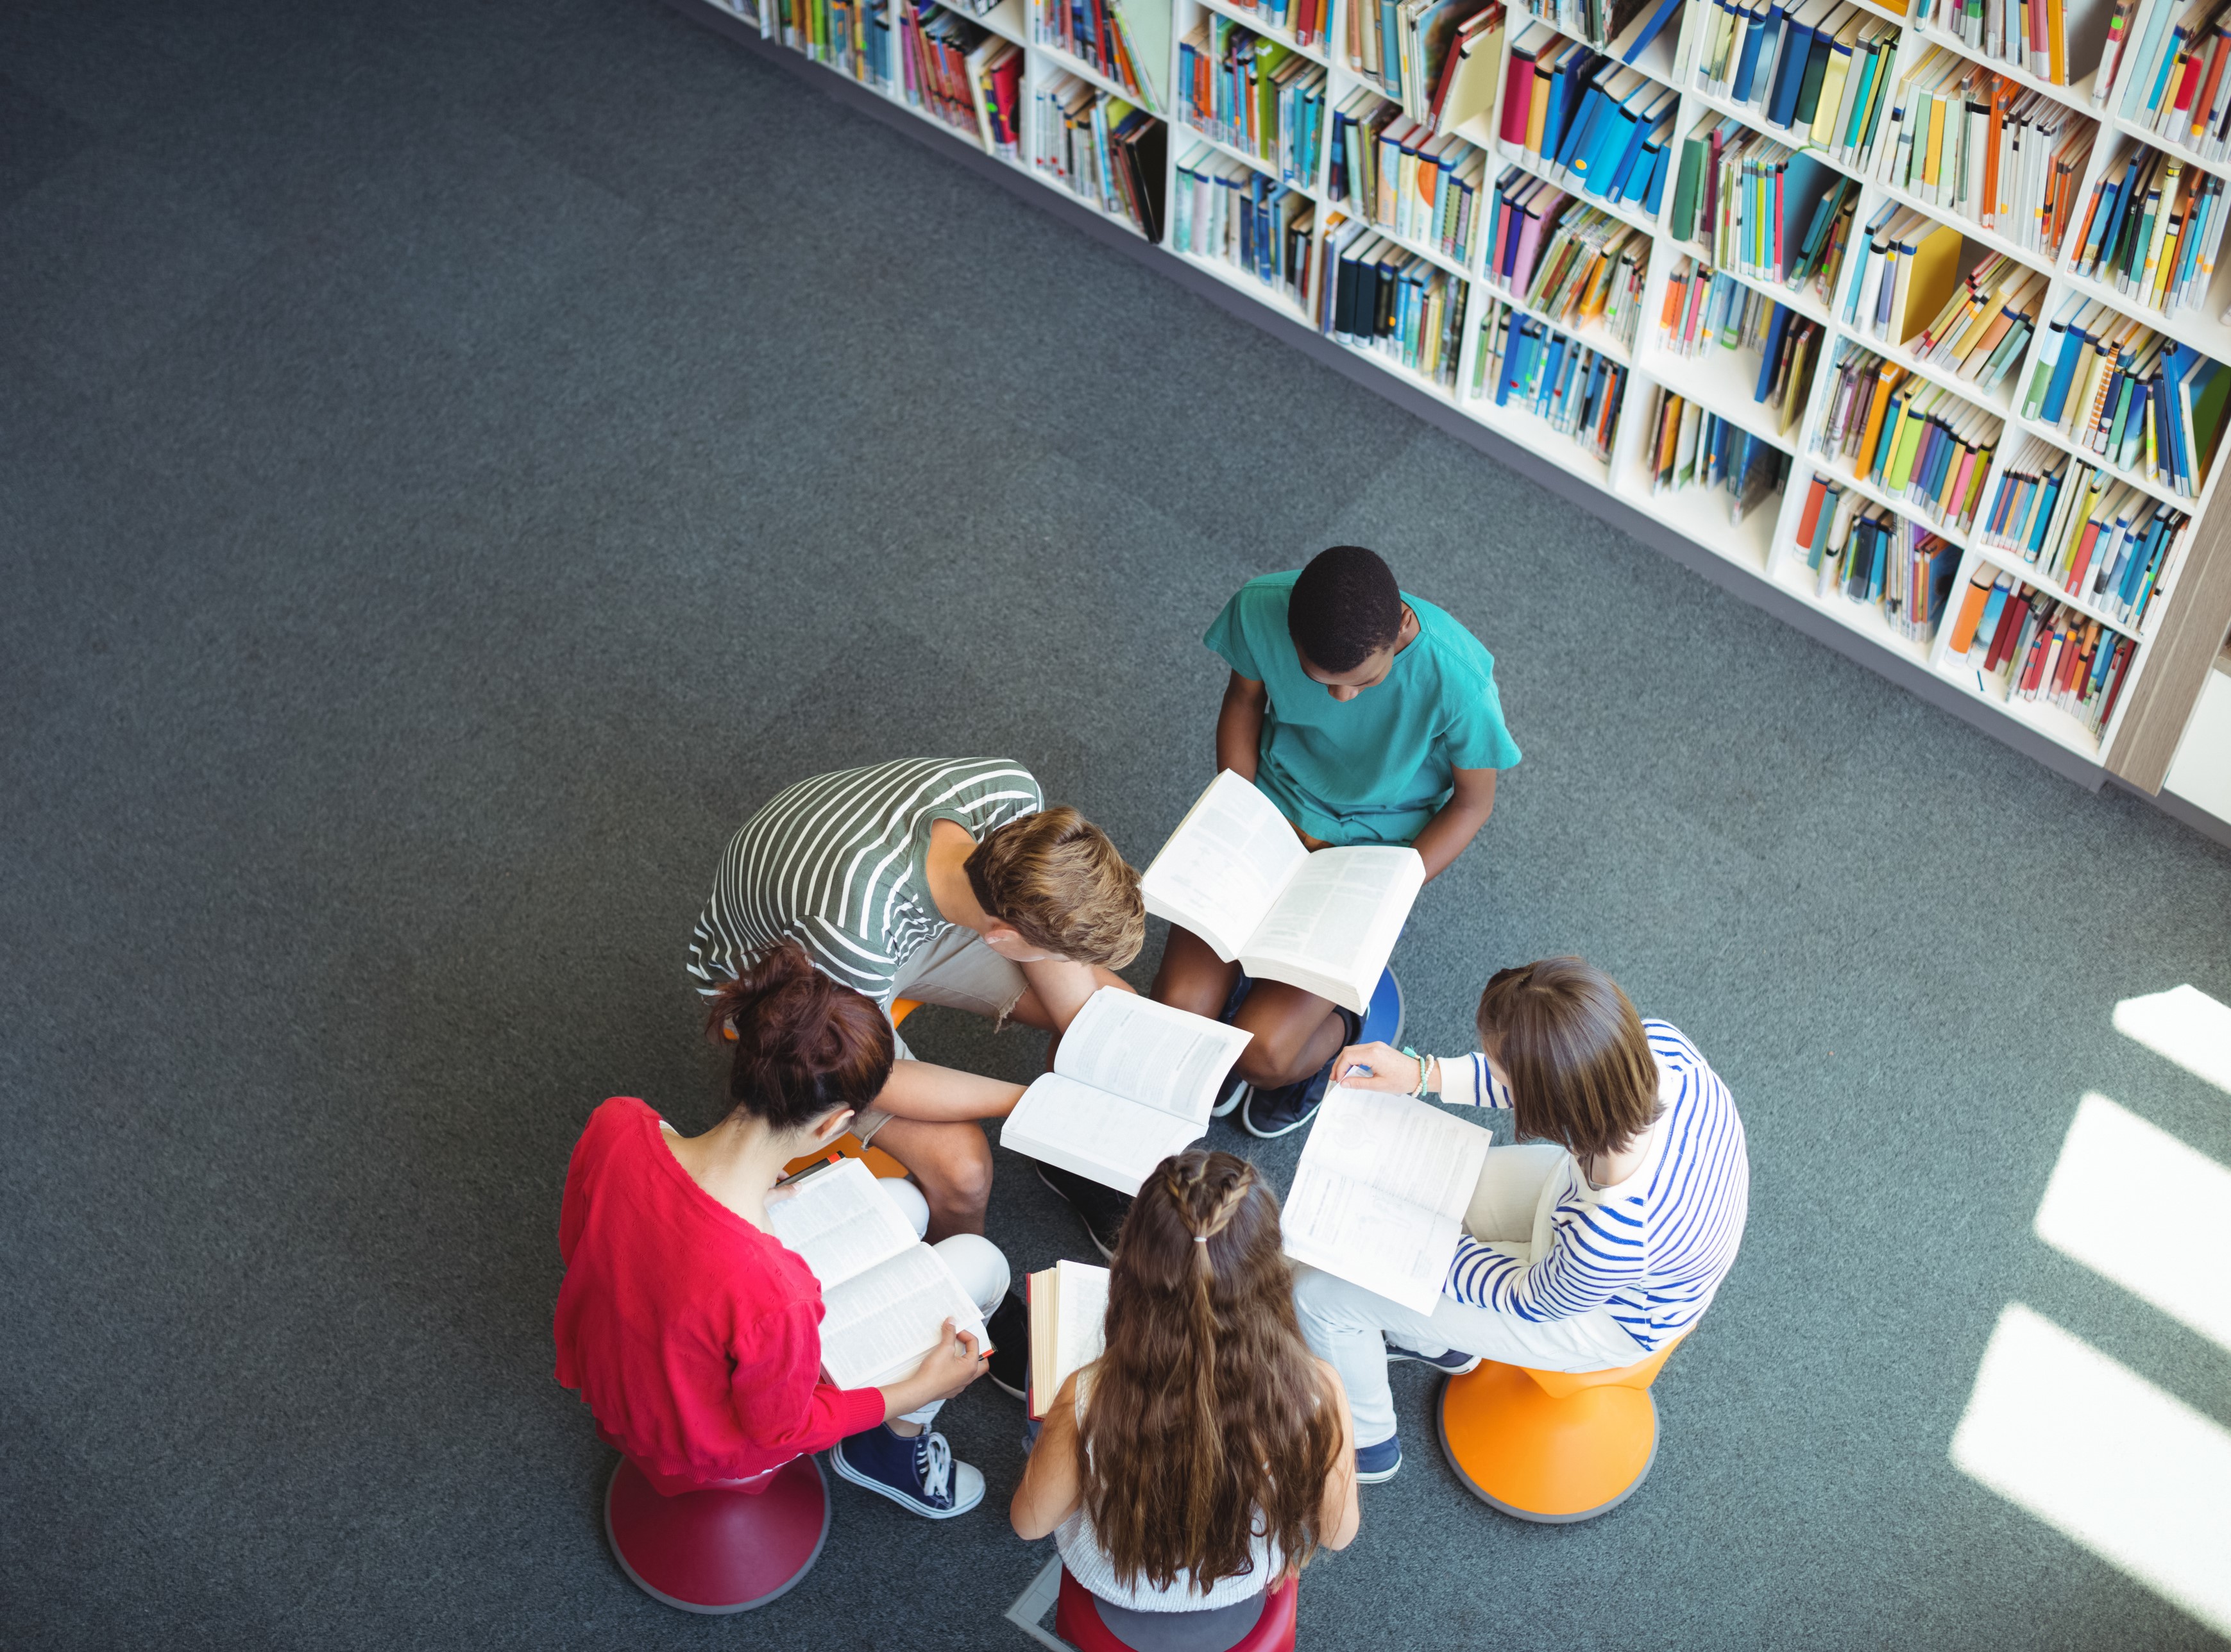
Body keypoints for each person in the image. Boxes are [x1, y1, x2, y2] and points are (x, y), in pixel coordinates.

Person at [555, 944, 1011, 1519]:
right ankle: (890, 1453)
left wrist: (734, 1205)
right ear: (835, 1124)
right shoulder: (776, 1295)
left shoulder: (617, 1122)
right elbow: (781, 1433)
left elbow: (582, 1247)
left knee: (902, 1205)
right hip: (706, 1448)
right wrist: (919, 1390)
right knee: (981, 1262)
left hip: (608, 1373)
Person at [1294, 957, 1750, 1482]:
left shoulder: (1613, 1235)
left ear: (1552, 1105)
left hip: (1600, 1314)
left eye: (1501, 1070)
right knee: (1420, 1194)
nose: (1496, 1075)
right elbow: (1542, 1079)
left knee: (1317, 1297)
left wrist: (1416, 1245)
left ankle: (1367, 1443)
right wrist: (1422, 1075)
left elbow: (1530, 1298)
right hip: (1583, 1205)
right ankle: (1443, 1343)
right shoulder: (1659, 1048)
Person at [687, 757, 1146, 1247]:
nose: (1065, 964)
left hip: (899, 919)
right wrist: (1033, 1102)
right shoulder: (851, 932)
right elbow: (874, 1077)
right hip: (785, 980)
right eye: (1058, 955)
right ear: (1003, 937)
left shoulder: (1012, 797)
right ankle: (959, 1283)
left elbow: (1083, 1003)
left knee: (1115, 1017)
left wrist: (1090, 1034)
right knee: (963, 1169)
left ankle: (1066, 1162)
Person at [1153, 547, 1522, 1142]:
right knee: (1179, 1014)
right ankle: (1258, 991)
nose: (1342, 699)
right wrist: (1235, 811)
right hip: (1275, 808)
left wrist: (1393, 890)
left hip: (1374, 848)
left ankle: (1349, 1023)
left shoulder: (1458, 678)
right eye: (1319, 681)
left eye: (1364, 681)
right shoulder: (1261, 608)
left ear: (1403, 624)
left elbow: (1472, 803)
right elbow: (1244, 703)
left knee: (1264, 1057)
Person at [1011, 1150, 1361, 1652]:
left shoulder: (1087, 1396)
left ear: (1132, 1260)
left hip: (1116, 1581)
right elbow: (1338, 1533)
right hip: (1243, 1583)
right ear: (1270, 1269)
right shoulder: (1315, 1390)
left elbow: (1029, 1524)